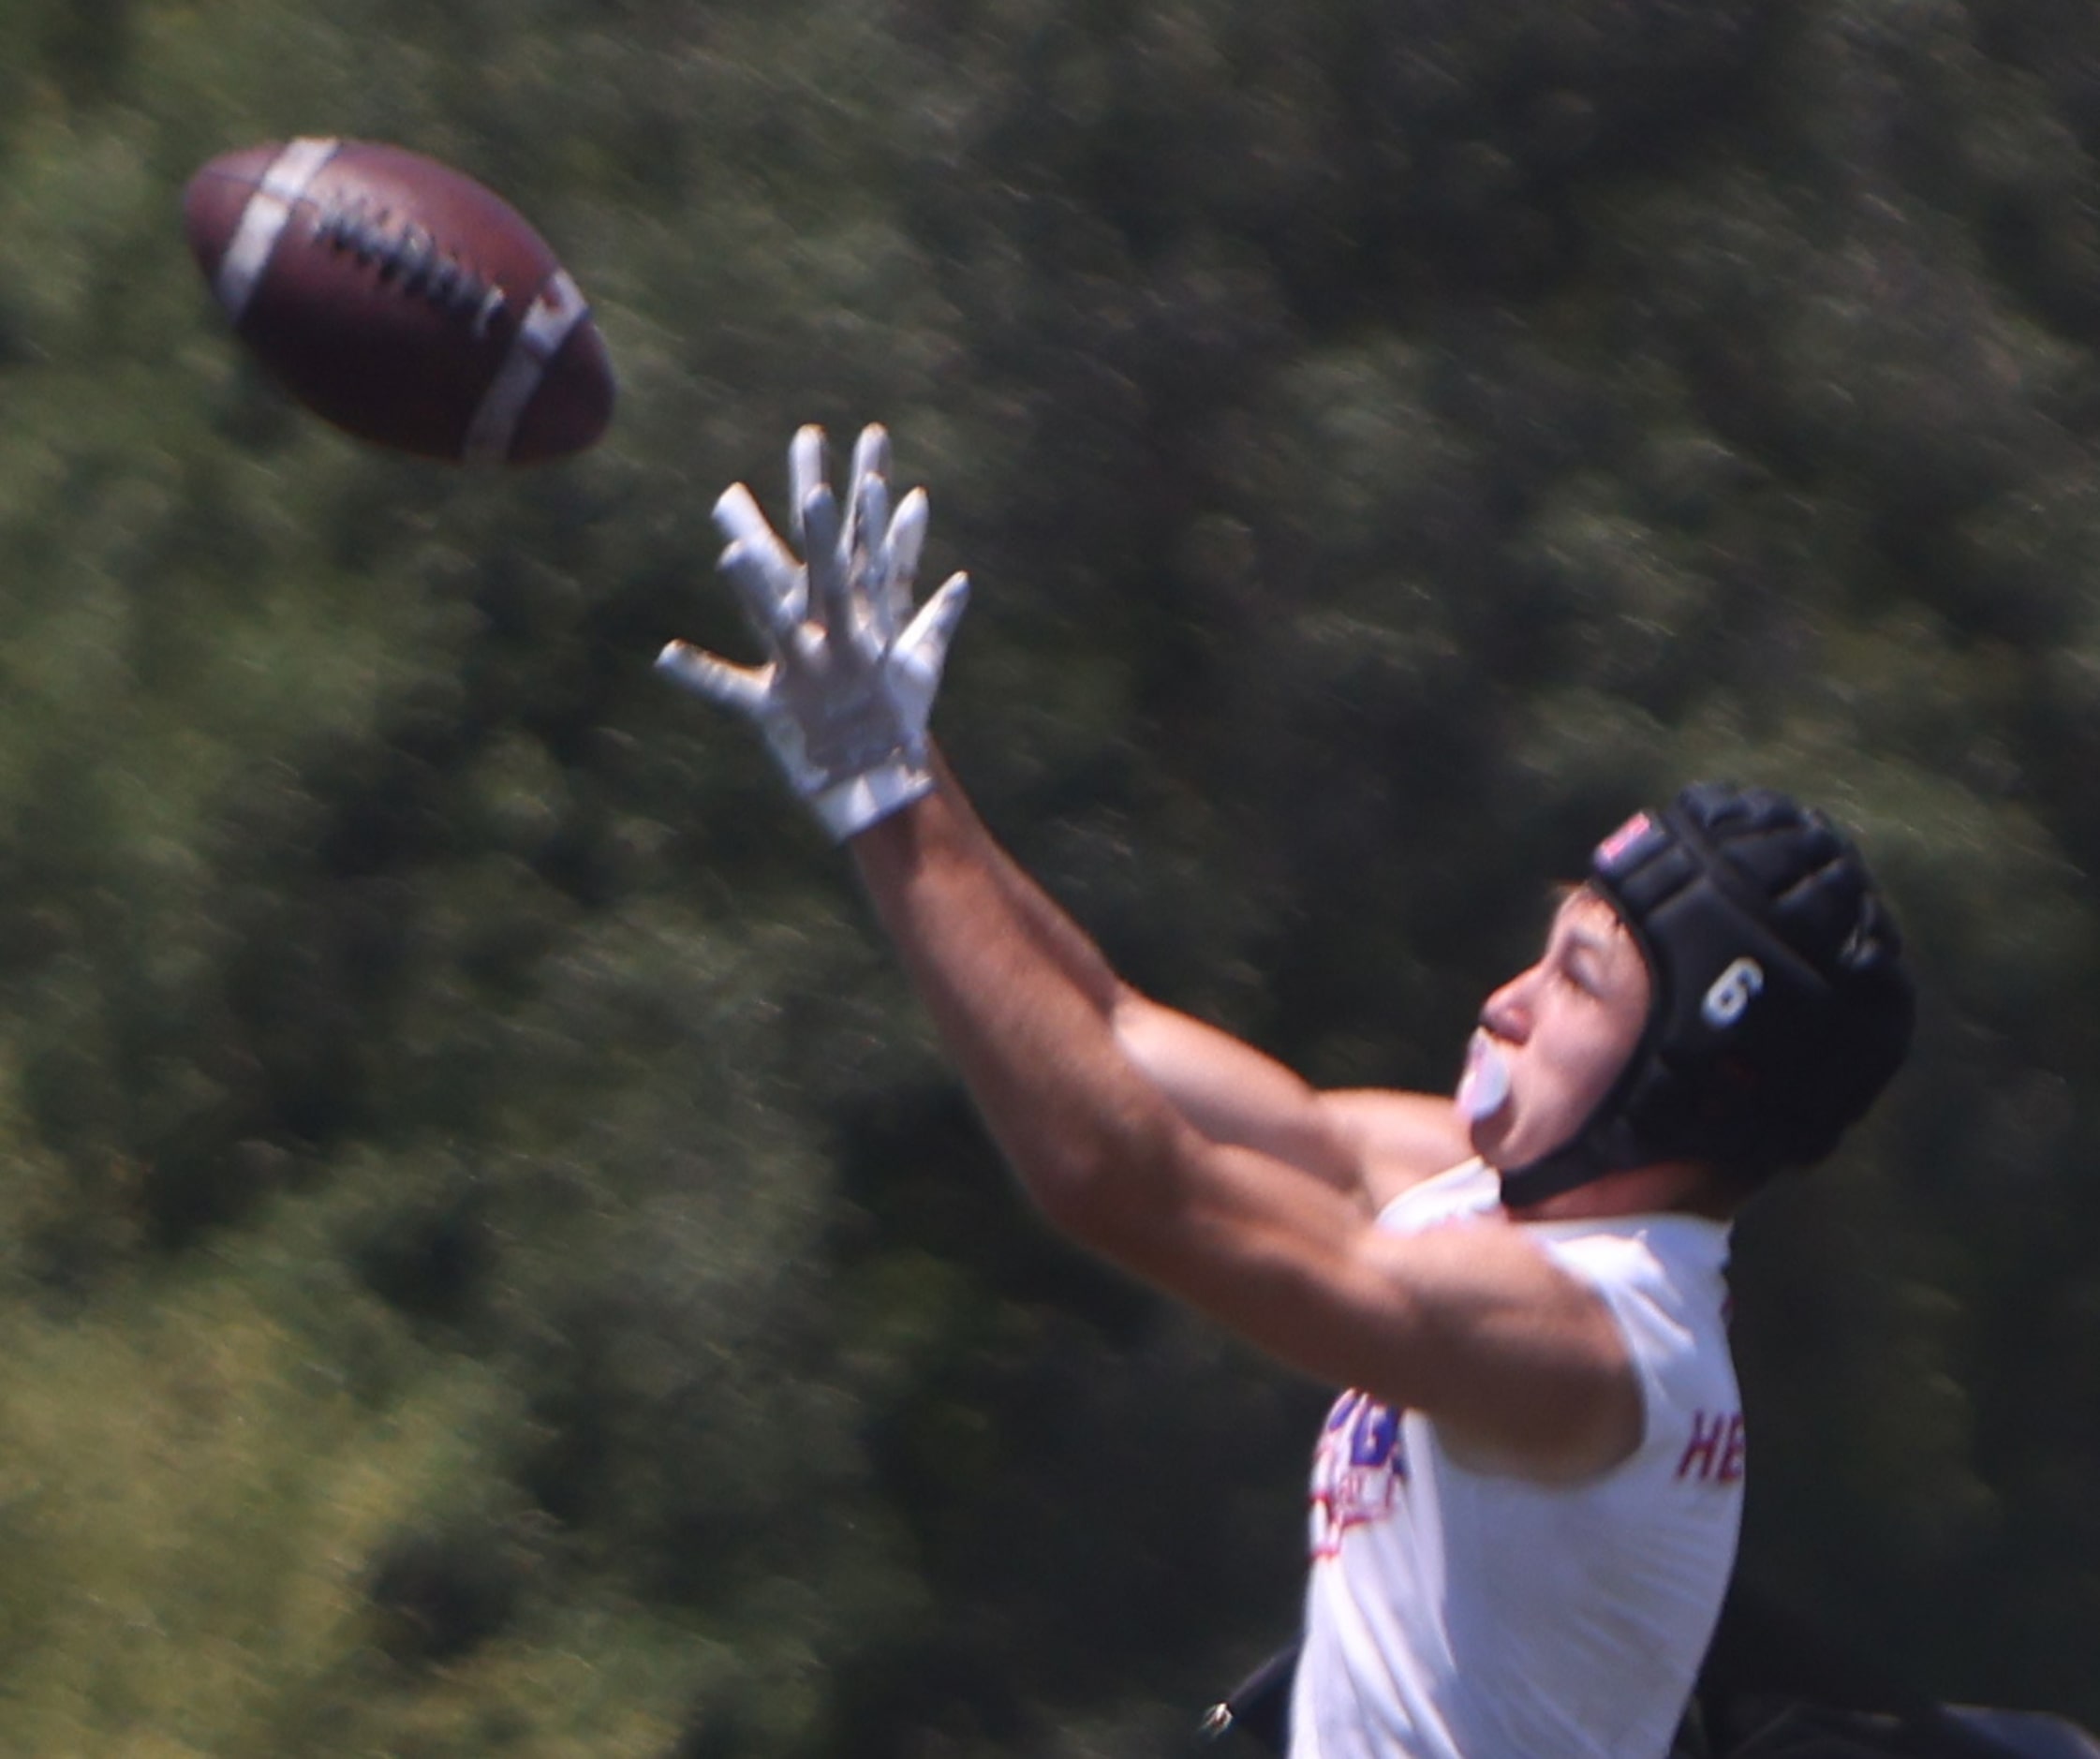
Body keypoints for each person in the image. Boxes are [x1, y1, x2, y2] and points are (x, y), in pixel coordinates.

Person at [657, 425, 1917, 1759]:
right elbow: (1112, 1030)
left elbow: (1123, 1178)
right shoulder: (1481, 1192)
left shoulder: (1588, 1340)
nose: (1506, 1000)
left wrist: (877, 800)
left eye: (1577, 981)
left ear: (1683, 1089)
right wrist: (898, 755)